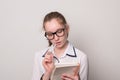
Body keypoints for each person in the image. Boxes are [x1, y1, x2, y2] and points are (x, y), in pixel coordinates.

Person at [32, 11, 88, 80]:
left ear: (67, 29)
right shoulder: (39, 56)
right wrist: (47, 74)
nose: (56, 38)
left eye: (59, 31)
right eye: (50, 34)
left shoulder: (81, 57)